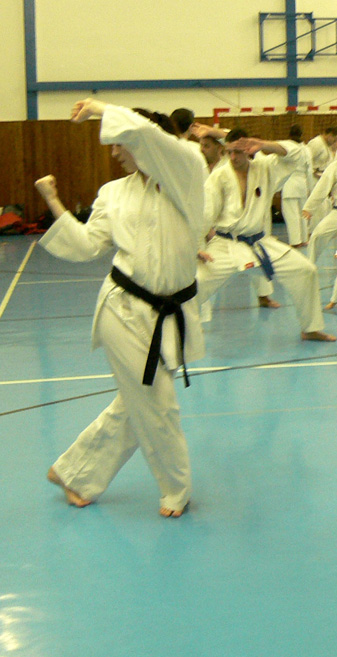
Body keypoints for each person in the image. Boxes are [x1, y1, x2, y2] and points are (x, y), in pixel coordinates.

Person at [35, 99, 206, 517]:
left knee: (135, 404)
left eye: (119, 142)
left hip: (170, 315)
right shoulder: (113, 193)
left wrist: (99, 107)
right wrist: (53, 201)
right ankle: (176, 489)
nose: (113, 152)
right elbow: (87, 245)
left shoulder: (187, 172)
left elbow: (150, 135)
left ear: (143, 141)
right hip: (123, 308)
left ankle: (74, 473)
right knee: (157, 403)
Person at [198, 128, 336, 342]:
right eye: (229, 152)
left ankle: (310, 329)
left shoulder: (265, 168)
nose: (233, 157)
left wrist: (264, 144)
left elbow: (298, 154)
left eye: (238, 152)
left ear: (249, 151)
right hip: (225, 244)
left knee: (305, 270)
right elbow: (205, 215)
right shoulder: (219, 177)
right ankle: (174, 329)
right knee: (195, 284)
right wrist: (196, 247)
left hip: (259, 242)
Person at [280, 124, 315, 247]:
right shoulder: (306, 149)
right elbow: (309, 170)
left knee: (292, 214)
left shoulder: (287, 147)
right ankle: (304, 239)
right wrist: (310, 188)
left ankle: (295, 241)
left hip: (289, 182)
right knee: (303, 213)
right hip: (302, 183)